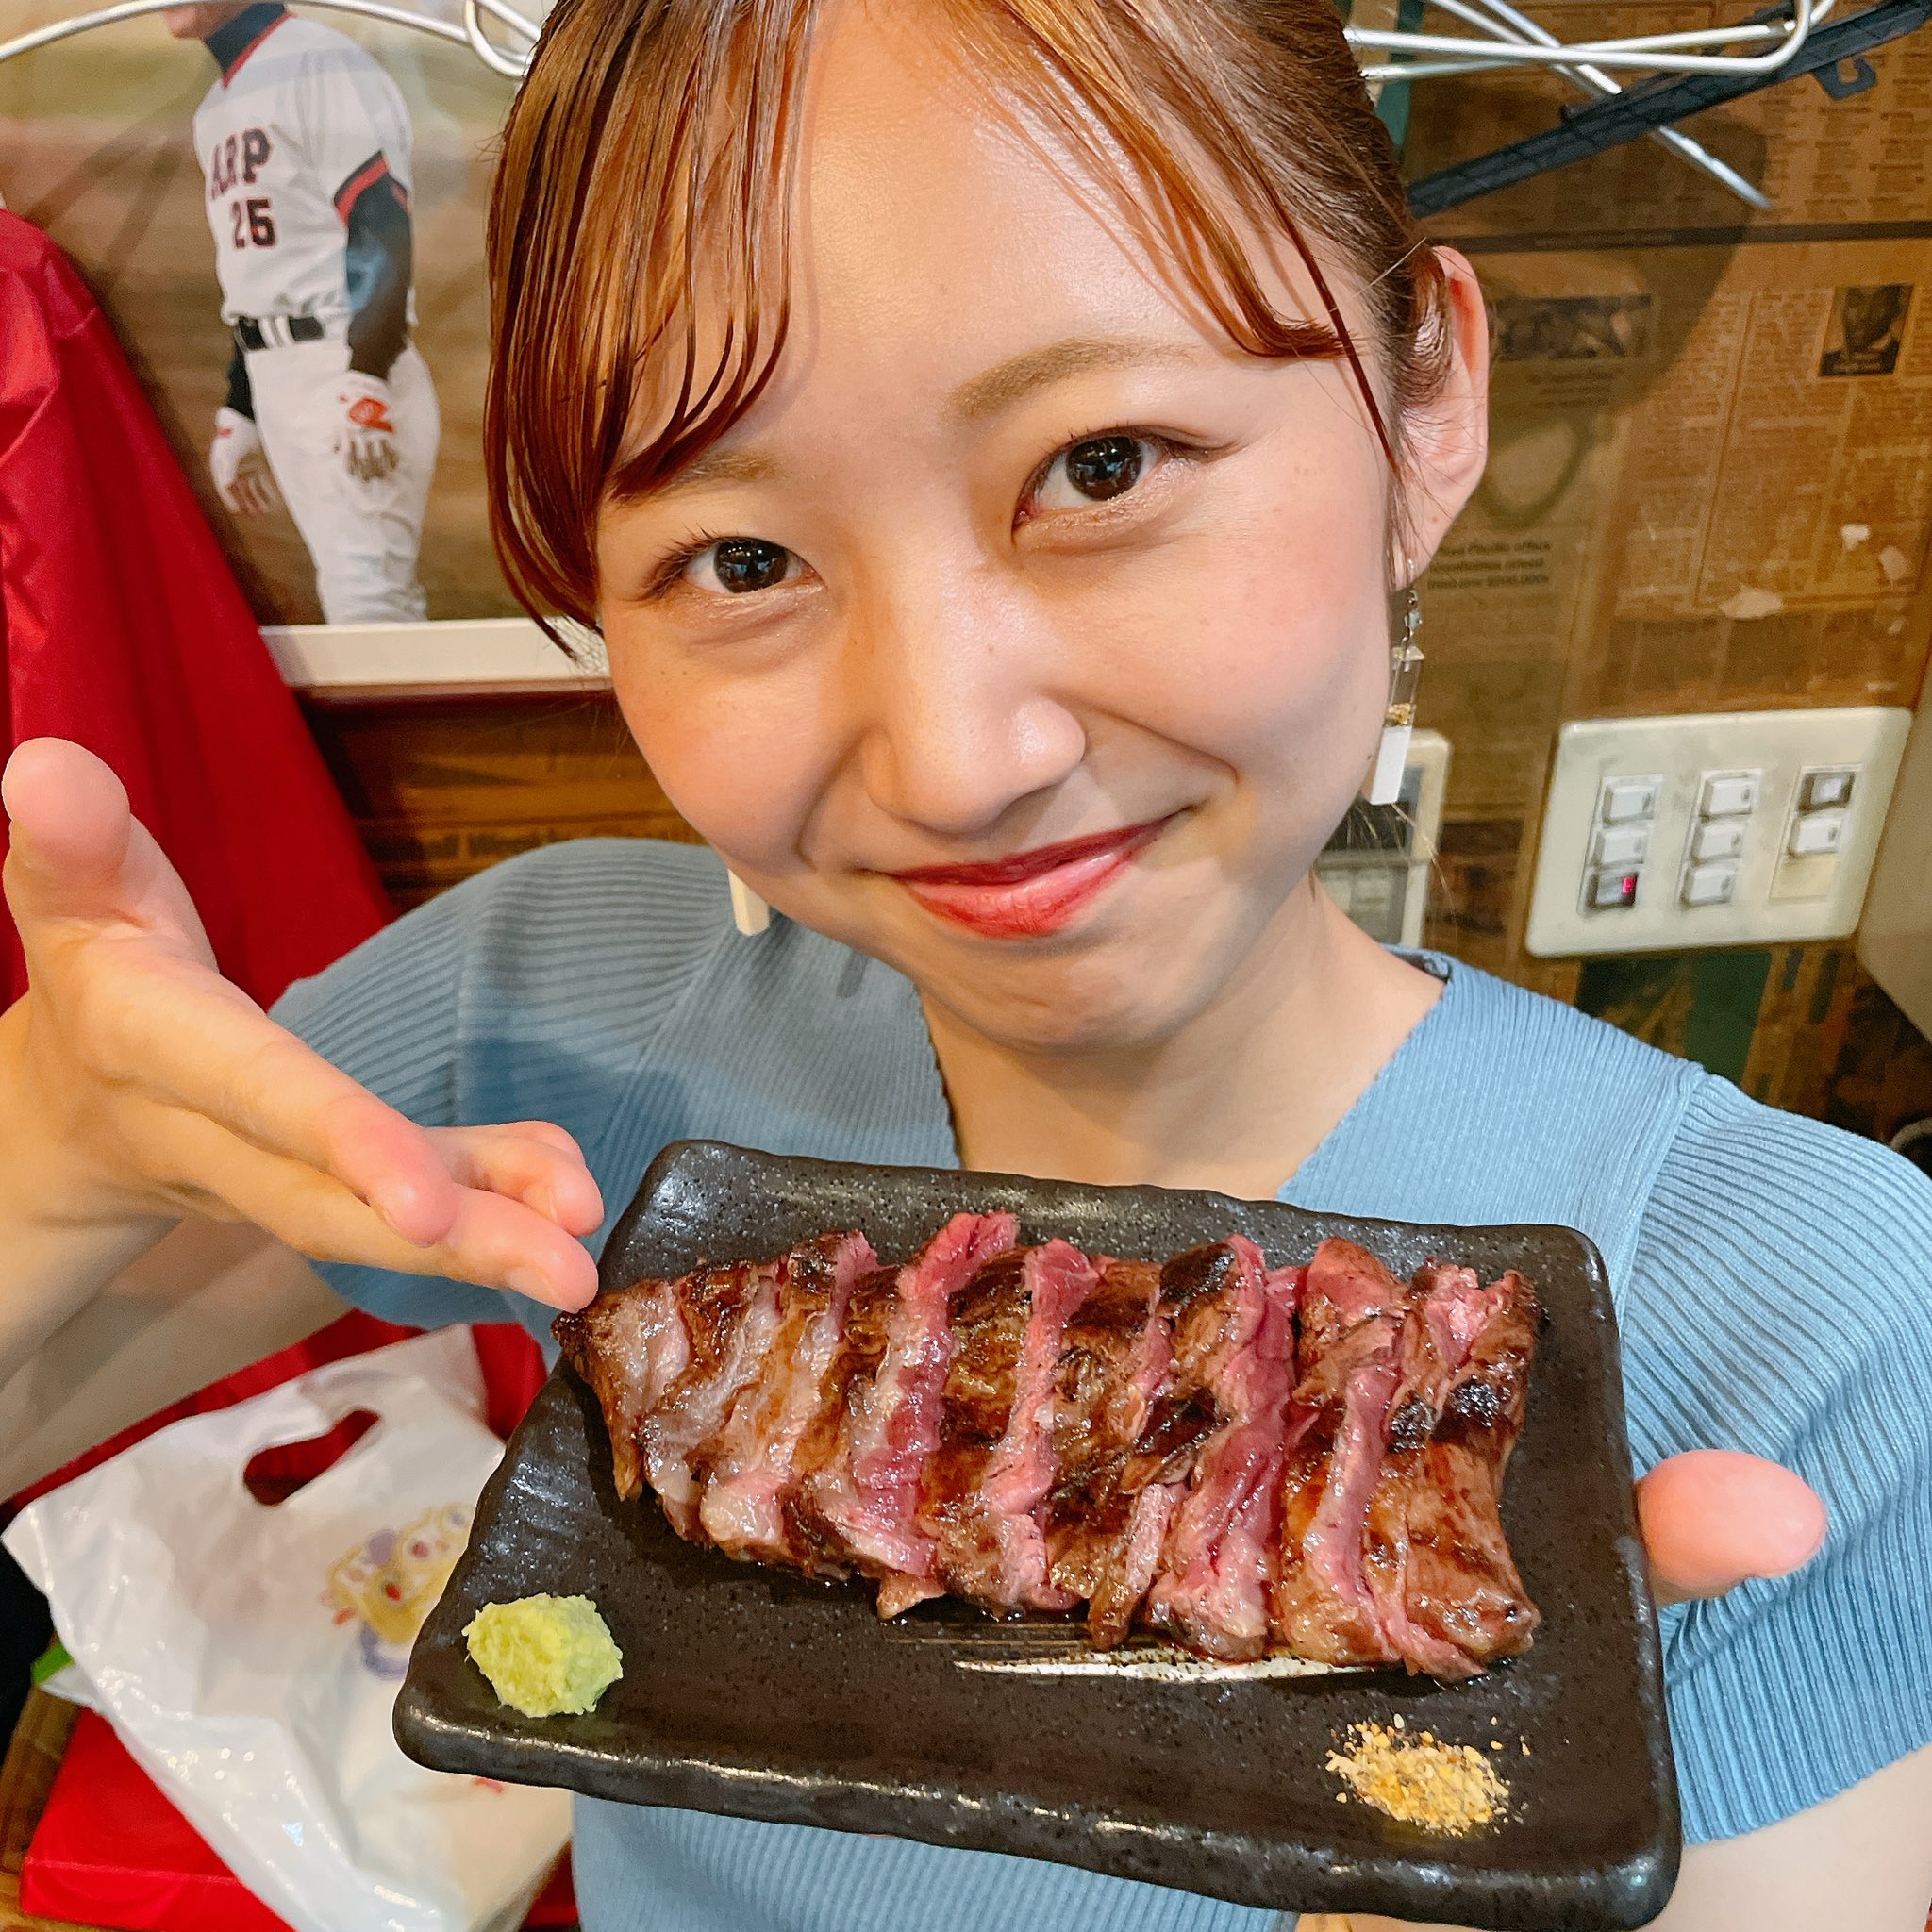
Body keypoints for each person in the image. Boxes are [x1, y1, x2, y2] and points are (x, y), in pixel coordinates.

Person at [4, 2, 1930, 1926]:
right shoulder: (537, 1002)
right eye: (740, 560)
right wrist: (52, 1151)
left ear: (1422, 408)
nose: (953, 758)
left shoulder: (1814, 1322)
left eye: (1101, 461)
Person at [168, 0, 440, 622]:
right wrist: (242, 406)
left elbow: (378, 220)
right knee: (357, 597)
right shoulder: (215, 108)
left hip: (344, 363)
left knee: (368, 601)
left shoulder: (320, 61)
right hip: (280, 378)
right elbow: (264, 273)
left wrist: (366, 377)